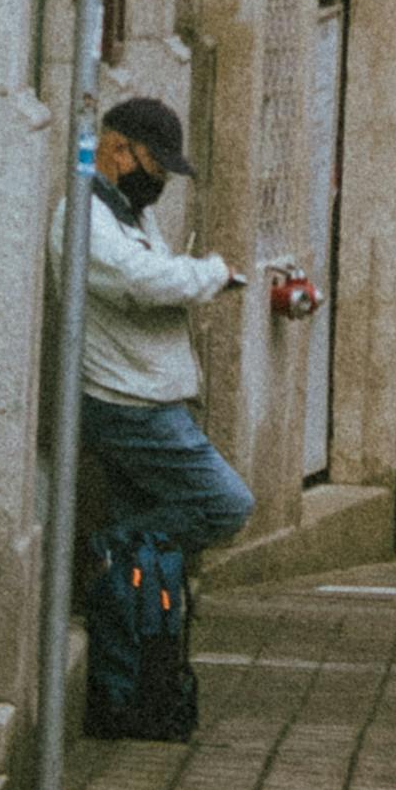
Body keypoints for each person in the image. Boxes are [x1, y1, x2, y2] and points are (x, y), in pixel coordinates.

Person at [76, 94, 254, 562]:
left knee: (137, 510)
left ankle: (128, 621)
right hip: (129, 401)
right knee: (226, 504)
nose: (160, 182)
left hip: (144, 391)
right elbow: (140, 279)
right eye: (156, 166)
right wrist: (211, 273)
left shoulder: (128, 210)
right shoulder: (84, 219)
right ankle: (106, 554)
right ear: (118, 151)